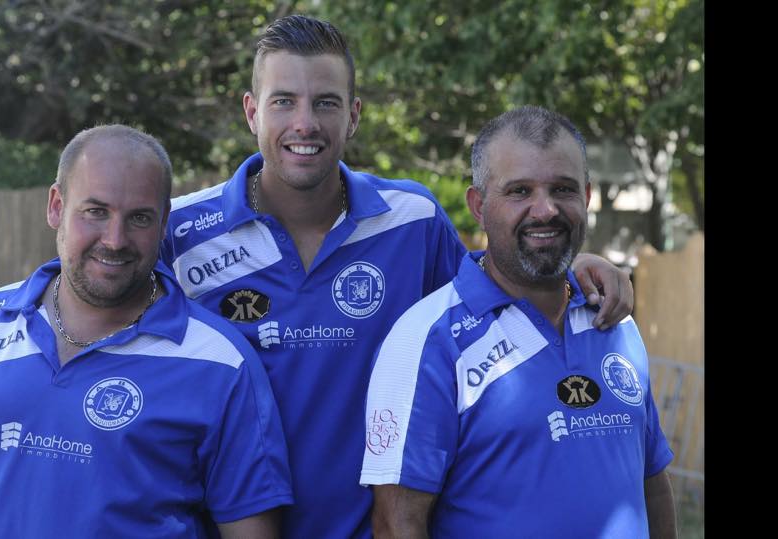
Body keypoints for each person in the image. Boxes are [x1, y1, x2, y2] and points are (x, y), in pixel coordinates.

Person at [161, 15, 635, 538]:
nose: (305, 123)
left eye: (326, 102)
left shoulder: (411, 219)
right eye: (283, 101)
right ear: (251, 112)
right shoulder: (181, 233)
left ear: (354, 115)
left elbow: (491, 295)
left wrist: (574, 270)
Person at [0, 125, 293, 538]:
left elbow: (250, 531)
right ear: (55, 206)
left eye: (138, 217)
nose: (115, 240)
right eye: (95, 211)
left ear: (163, 224)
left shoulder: (220, 363)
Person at [360, 106, 677, 538]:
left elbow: (651, 485)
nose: (544, 209)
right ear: (479, 206)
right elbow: (397, 524)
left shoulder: (614, 319)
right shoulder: (425, 342)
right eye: (519, 191)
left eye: (562, 189)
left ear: (585, 197)